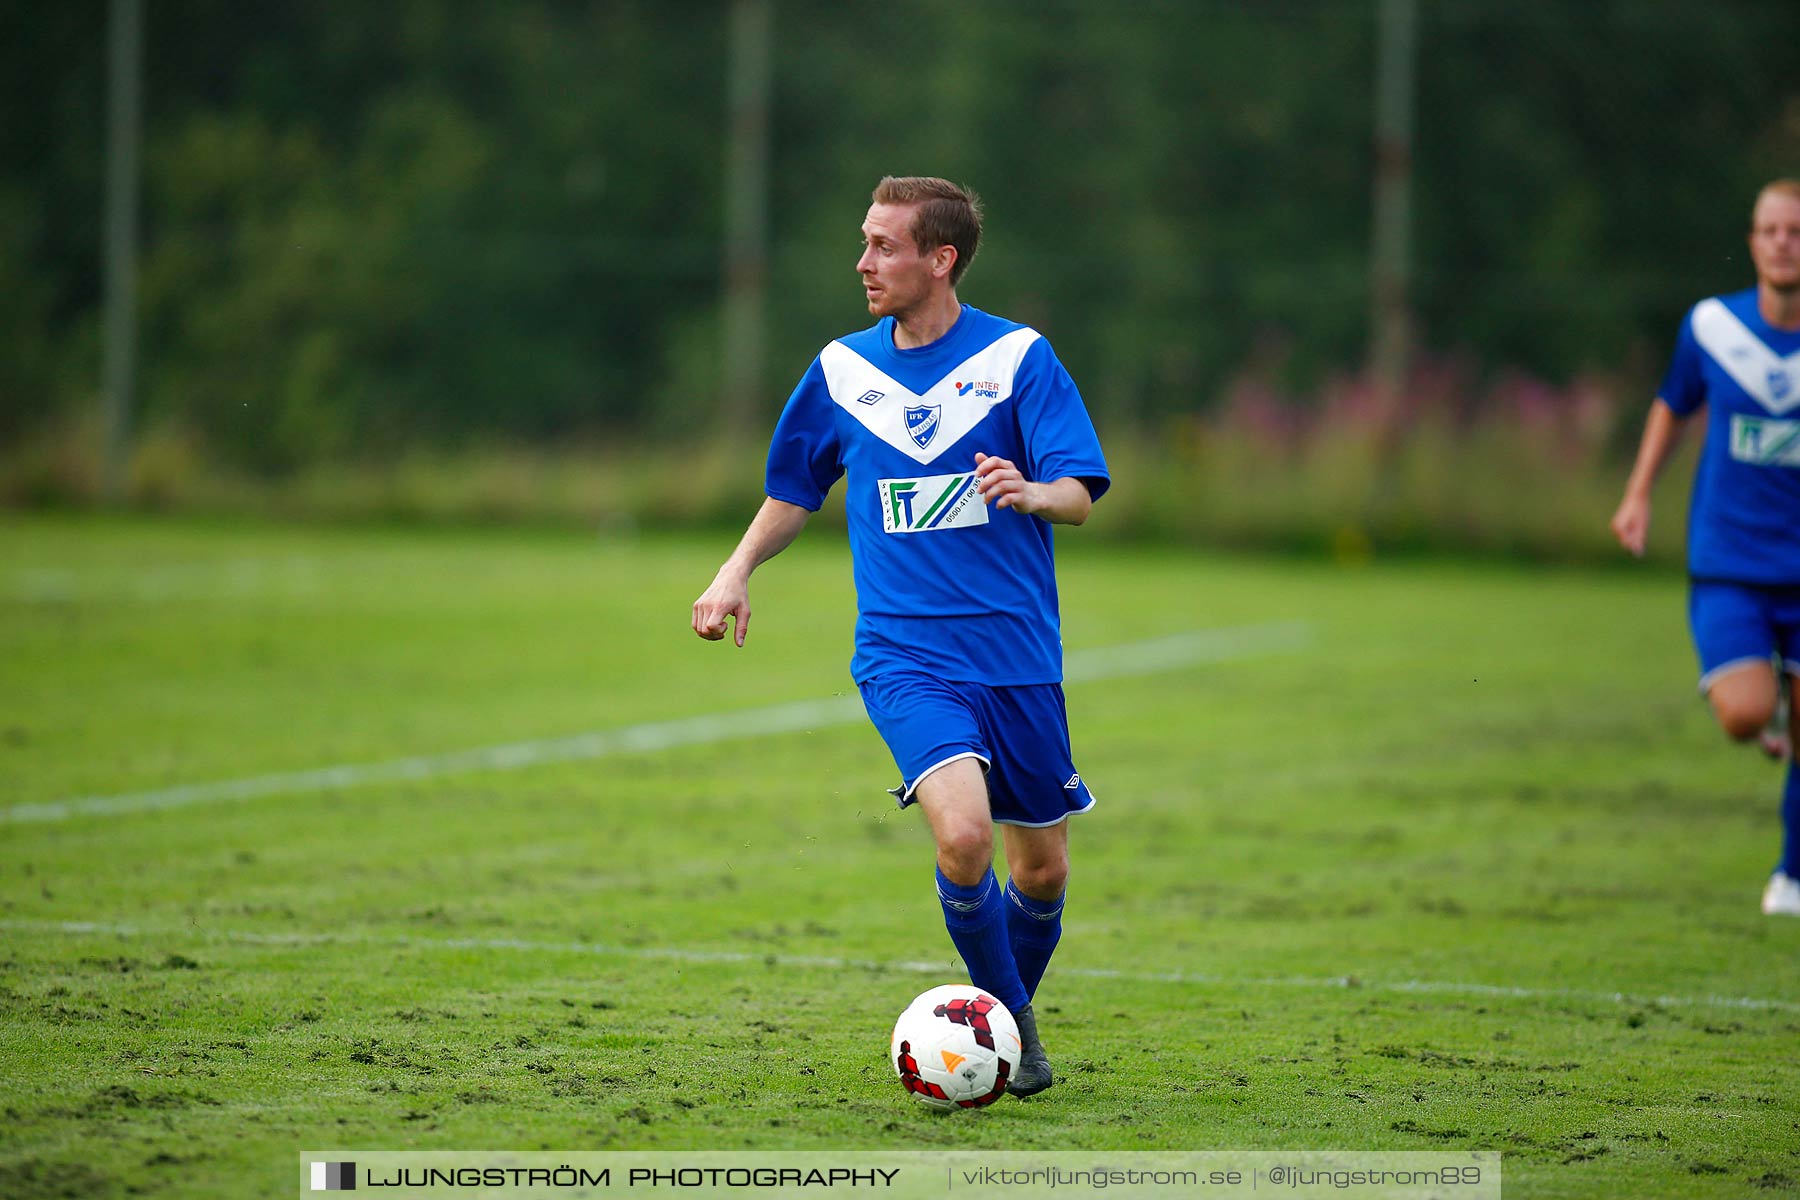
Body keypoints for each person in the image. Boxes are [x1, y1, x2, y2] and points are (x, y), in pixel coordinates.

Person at [692, 176, 1109, 1094]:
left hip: (1019, 660)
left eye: (884, 246)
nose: (864, 262)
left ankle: (990, 1023)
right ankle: (1014, 1040)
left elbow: (1078, 490)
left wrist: (1033, 492)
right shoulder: (844, 370)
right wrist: (735, 571)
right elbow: (795, 488)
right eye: (866, 243)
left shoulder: (1018, 360)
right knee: (963, 840)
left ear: (940, 259)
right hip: (905, 656)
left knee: (1038, 871)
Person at [1610, 178, 1800, 917]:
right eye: (1771, 229)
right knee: (1743, 716)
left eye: (1796, 230)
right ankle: (1772, 711)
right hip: (1730, 564)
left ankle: (1791, 875)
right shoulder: (1714, 327)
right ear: (1753, 241)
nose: (1784, 241)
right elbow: (1672, 403)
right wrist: (1637, 492)